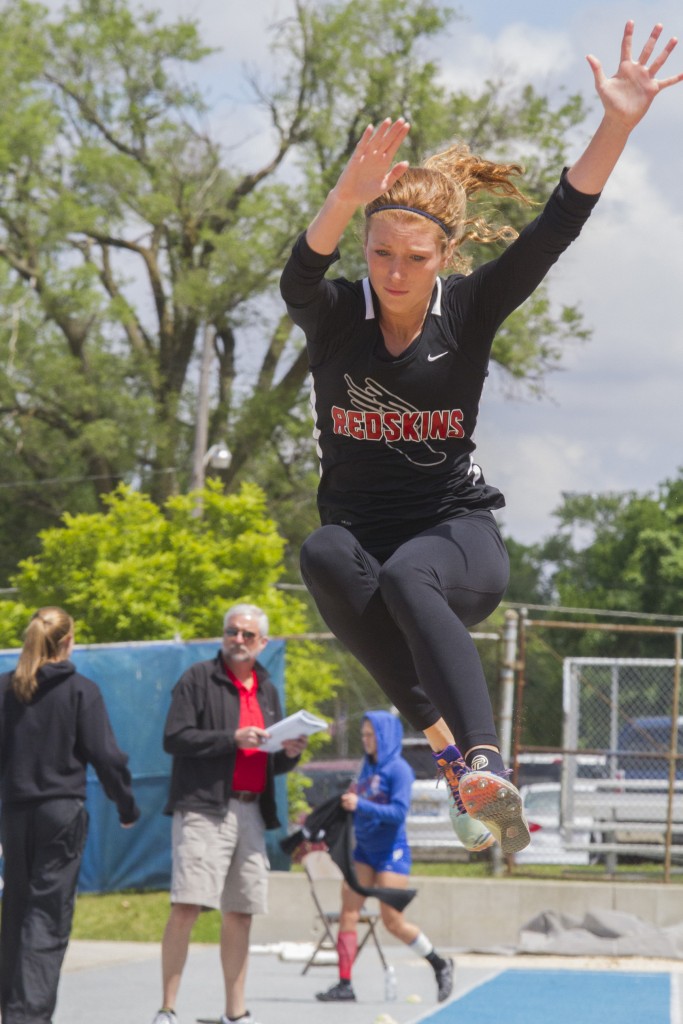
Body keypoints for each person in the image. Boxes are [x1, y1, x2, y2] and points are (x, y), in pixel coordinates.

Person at [280, 21, 683, 857]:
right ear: (366, 245)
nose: (394, 272)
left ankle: (485, 758)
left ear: (445, 255)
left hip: (456, 542)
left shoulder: (465, 311)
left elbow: (554, 227)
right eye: (380, 252)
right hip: (365, 546)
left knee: (407, 571)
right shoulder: (335, 320)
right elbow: (298, 276)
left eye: (414, 257)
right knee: (322, 550)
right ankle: (445, 748)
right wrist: (347, 194)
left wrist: (615, 122)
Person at [151, 603, 308, 1024]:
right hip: (204, 809)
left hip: (253, 811)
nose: (238, 640)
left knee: (240, 912)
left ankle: (235, 1014)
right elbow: (174, 738)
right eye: (232, 632)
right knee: (187, 905)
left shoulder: (268, 689)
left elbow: (269, 759)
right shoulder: (198, 679)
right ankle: (167, 1009)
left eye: (247, 635)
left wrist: (289, 751)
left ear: (263, 643)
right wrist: (231, 738)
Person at [0, 606, 140, 1024]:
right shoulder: (81, 690)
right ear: (67, 642)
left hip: (16, 814)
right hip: (61, 814)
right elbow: (106, 756)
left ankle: (10, 1009)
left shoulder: (8, 689)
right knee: (47, 914)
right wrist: (126, 805)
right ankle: (29, 1016)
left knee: (17, 908)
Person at [315, 711, 454, 1003]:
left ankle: (439, 964)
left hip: (391, 852)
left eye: (371, 735)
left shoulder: (399, 770)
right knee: (348, 913)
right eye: (363, 735)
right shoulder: (367, 766)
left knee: (393, 921)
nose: (366, 740)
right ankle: (345, 983)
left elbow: (398, 813)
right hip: (363, 851)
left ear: (385, 736)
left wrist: (361, 805)